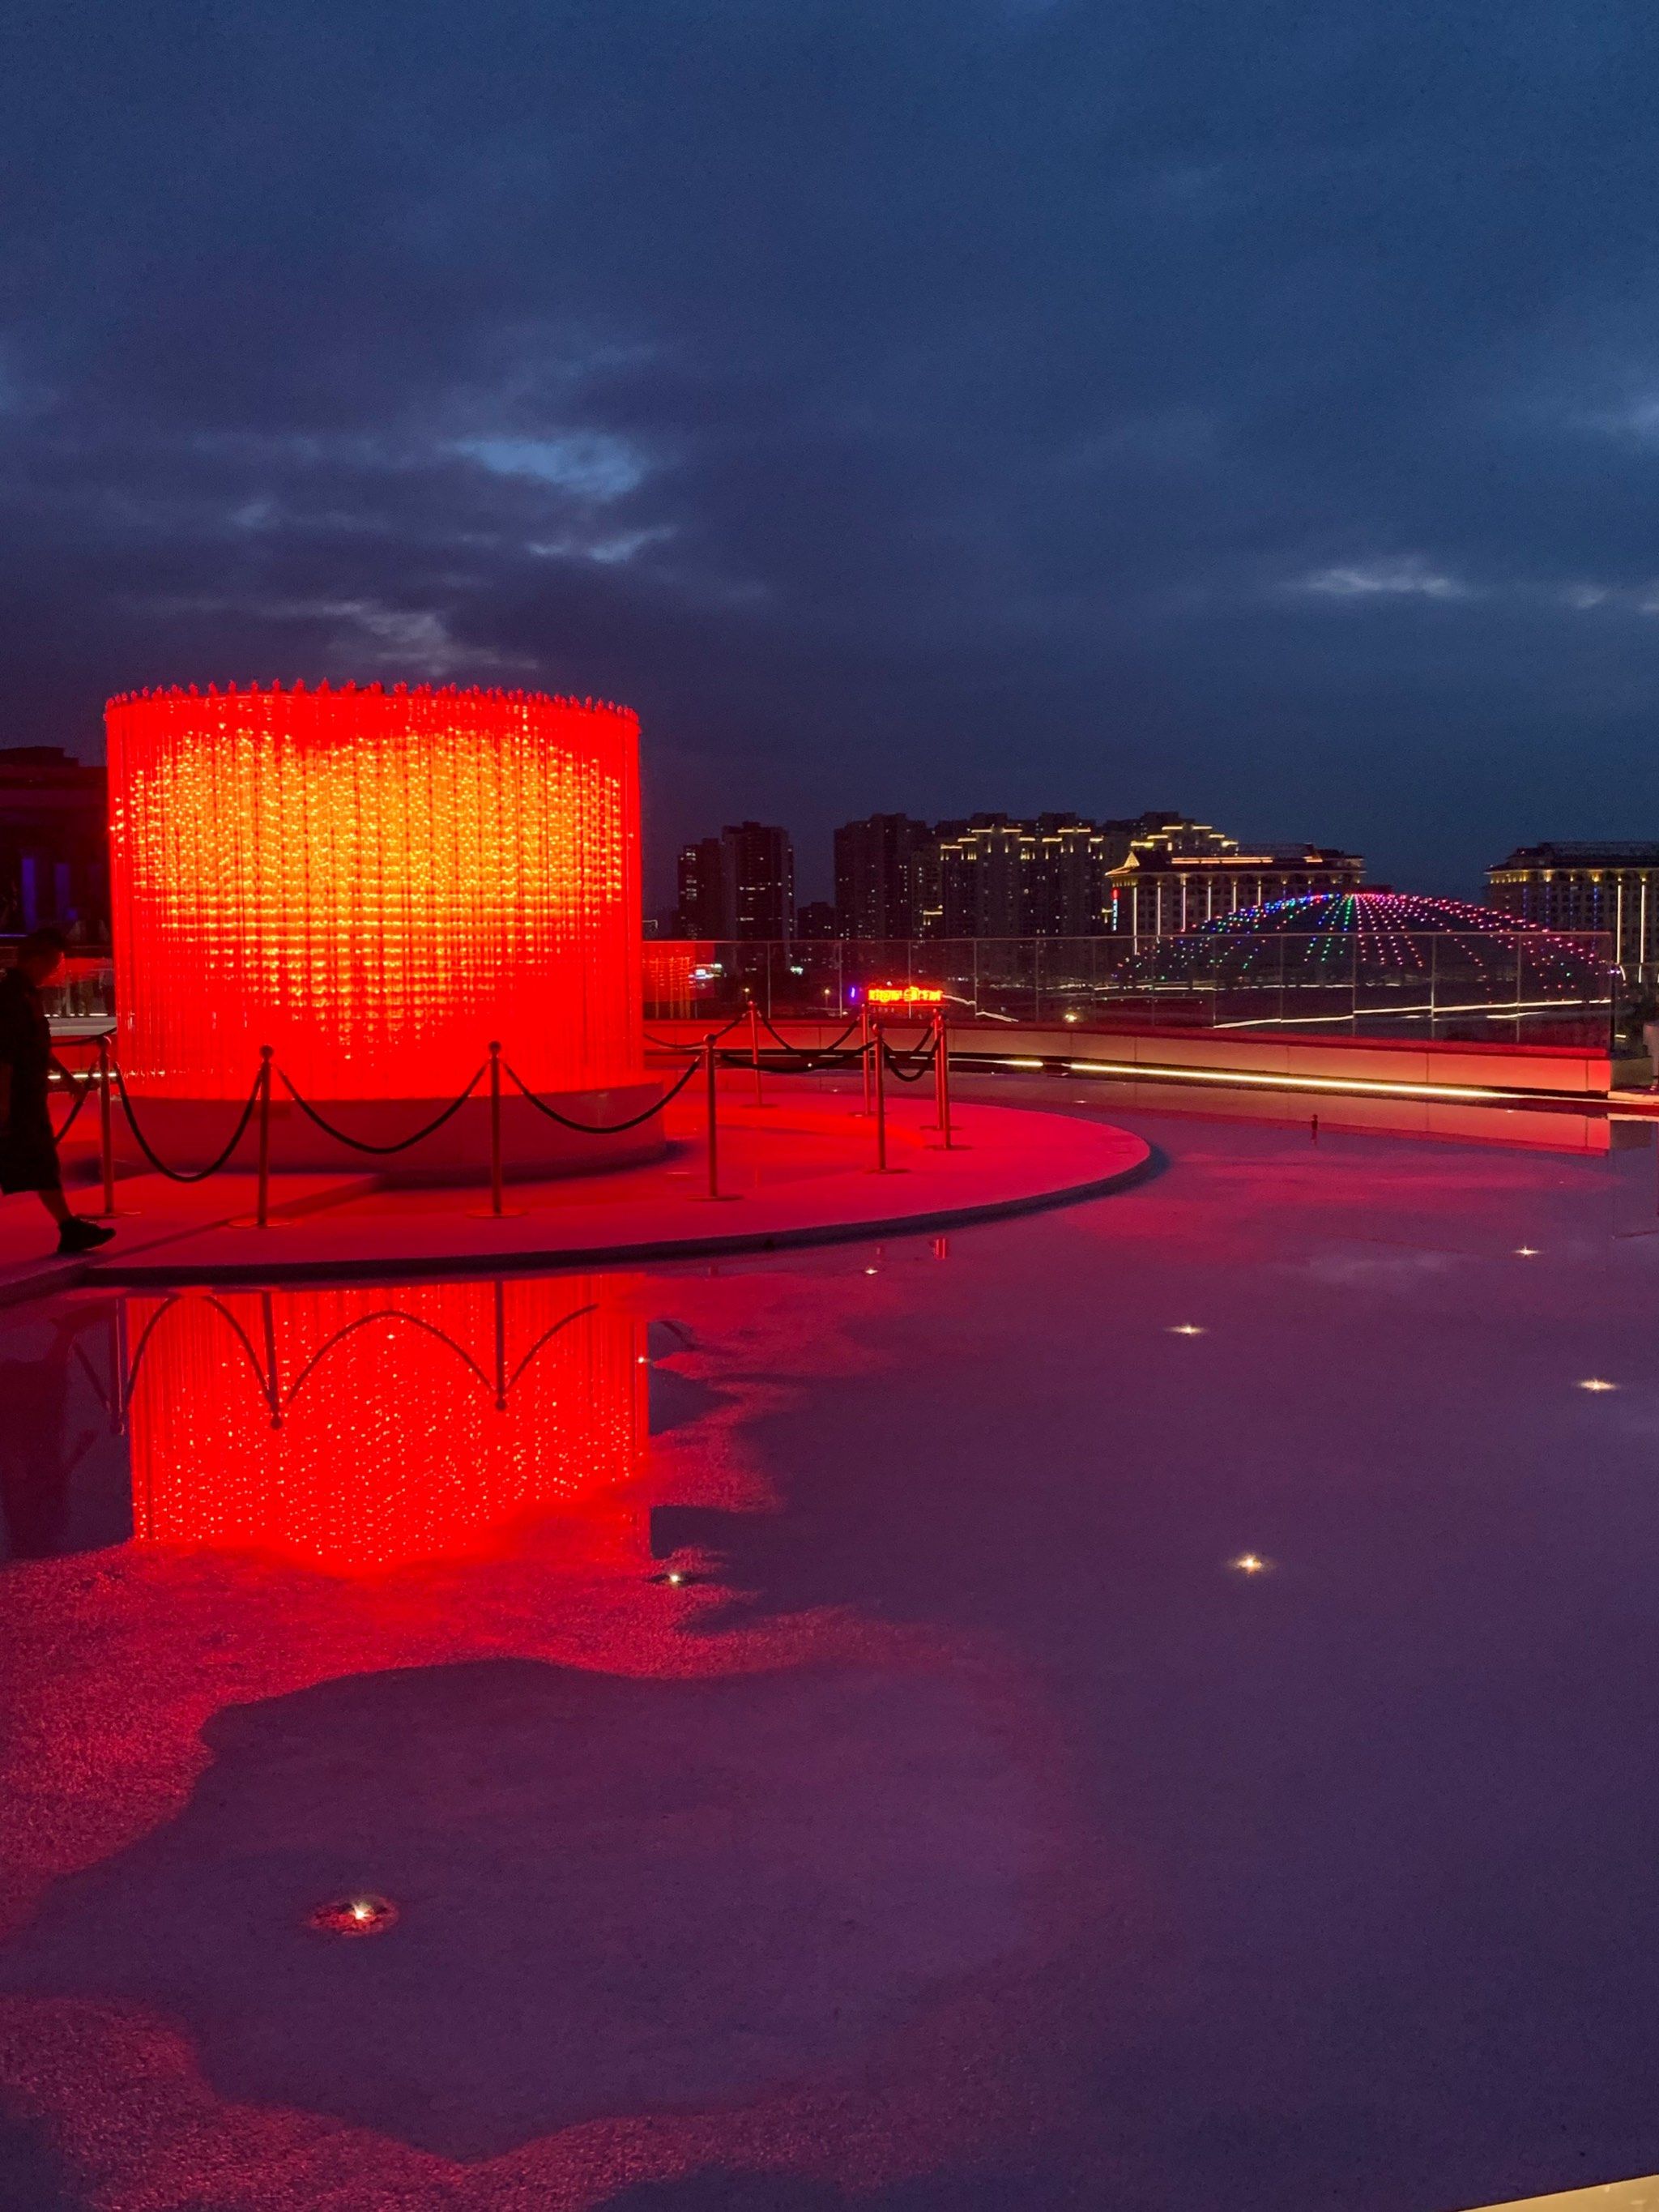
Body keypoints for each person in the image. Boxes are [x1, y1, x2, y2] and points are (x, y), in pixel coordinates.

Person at [0, 927, 115, 1255]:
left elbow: (34, 1046)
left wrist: (64, 1076)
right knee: (38, 1160)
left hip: (27, 1095)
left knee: (40, 1161)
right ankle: (68, 1227)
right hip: (19, 1098)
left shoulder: (26, 995)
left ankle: (68, 1227)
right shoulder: (12, 997)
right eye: (52, 963)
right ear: (35, 959)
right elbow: (6, 1057)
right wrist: (4, 1106)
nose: (54, 971)